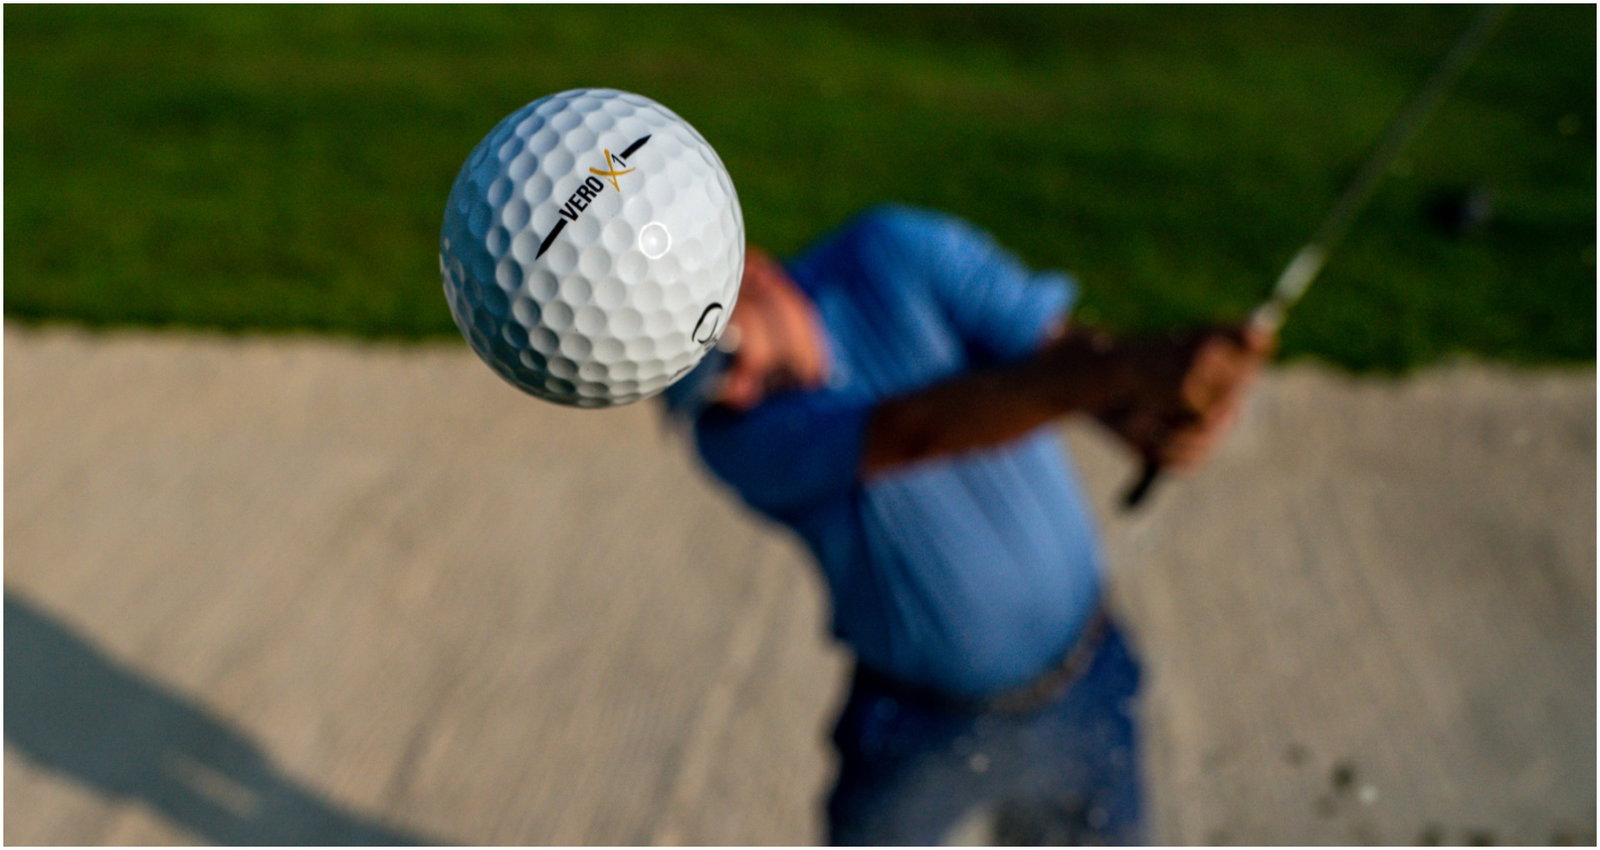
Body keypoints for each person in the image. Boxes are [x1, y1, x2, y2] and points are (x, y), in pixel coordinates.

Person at [662, 204, 1271, 845]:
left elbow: (1056, 355)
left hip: (1087, 678)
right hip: (919, 725)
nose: (730, 391)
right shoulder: (732, 438)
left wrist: (1147, 412)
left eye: (719, 359)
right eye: (697, 388)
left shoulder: (895, 250)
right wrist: (1120, 372)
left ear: (749, 270)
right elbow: (915, 431)